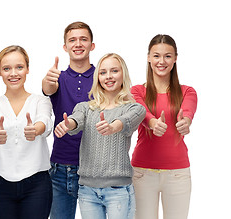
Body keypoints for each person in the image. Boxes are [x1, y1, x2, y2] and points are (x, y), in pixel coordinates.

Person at [54, 53, 144, 219]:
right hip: (88, 190)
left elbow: (126, 121)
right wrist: (69, 124)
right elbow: (76, 119)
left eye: (114, 71)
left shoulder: (134, 108)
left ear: (123, 73)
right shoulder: (86, 107)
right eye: (103, 72)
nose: (108, 76)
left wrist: (113, 126)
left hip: (118, 190)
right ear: (98, 78)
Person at [130, 34, 196, 219]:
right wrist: (152, 123)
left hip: (177, 175)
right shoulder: (137, 91)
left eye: (167, 56)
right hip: (142, 173)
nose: (162, 61)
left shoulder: (187, 91)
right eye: (156, 55)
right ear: (149, 57)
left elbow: (188, 109)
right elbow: (140, 111)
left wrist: (186, 122)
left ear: (175, 59)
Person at [0, 46, 54, 219]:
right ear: (0, 72)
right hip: (0, 181)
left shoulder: (41, 101)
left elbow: (44, 122)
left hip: (37, 182)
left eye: (19, 67)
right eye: (6, 68)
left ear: (28, 69)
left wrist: (36, 130)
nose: (13, 73)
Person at [42, 21, 97, 219]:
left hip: (95, 168)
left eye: (83, 39)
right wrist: (47, 81)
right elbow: (48, 89)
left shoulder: (103, 77)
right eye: (72, 40)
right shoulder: (58, 78)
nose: (78, 44)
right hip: (60, 169)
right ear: (65, 47)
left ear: (92, 45)